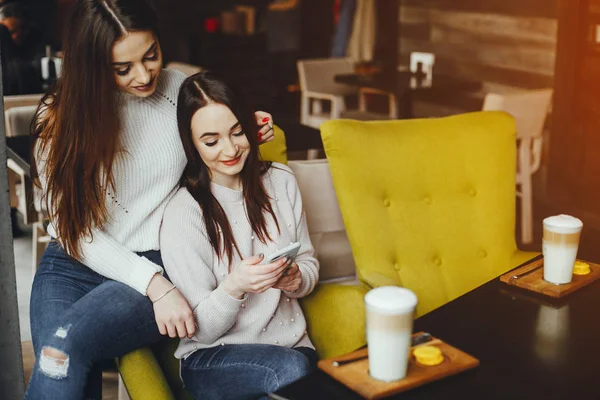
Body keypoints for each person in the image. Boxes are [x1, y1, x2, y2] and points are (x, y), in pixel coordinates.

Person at [26, 0, 274, 398]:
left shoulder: (178, 90)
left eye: (151, 55)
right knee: (60, 362)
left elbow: (215, 136)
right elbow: (76, 232)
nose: (143, 75)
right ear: (91, 66)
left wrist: (244, 130)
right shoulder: (57, 121)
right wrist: (157, 288)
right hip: (73, 260)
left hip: (157, 256)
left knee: (66, 347)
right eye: (122, 68)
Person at [160, 71, 319, 400]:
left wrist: (294, 279)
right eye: (211, 141)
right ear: (192, 144)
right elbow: (200, 329)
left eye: (237, 132)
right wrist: (235, 286)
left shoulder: (281, 182)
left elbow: (309, 263)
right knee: (294, 375)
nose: (230, 149)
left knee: (290, 377)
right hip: (212, 358)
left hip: (292, 350)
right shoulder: (183, 213)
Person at [0, 2, 45, 93]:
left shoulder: (36, 46)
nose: (13, 36)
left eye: (15, 31)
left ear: (26, 29)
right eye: (6, 33)